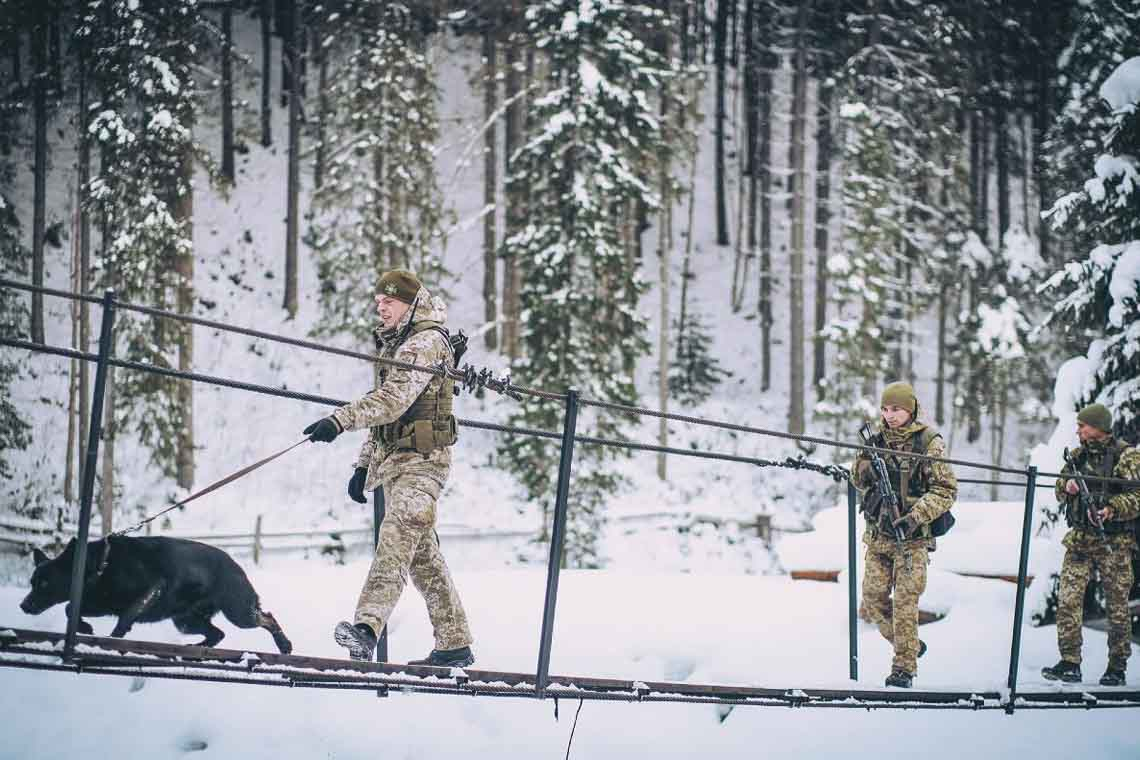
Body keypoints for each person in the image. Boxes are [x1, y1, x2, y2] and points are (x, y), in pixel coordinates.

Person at [303, 269, 474, 668]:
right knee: (423, 558)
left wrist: (340, 420)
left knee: (395, 540)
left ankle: (366, 628)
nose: (381, 308)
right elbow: (386, 413)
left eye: (389, 302)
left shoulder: (427, 342)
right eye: (378, 302)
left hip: (423, 464)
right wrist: (363, 466)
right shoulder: (398, 344)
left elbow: (393, 400)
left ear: (411, 304)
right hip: (396, 463)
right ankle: (454, 644)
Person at [853, 382, 957, 689]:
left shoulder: (928, 442)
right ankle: (908, 644)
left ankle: (903, 668)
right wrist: (866, 469)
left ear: (910, 409)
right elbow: (855, 477)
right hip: (878, 537)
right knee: (872, 599)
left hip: (912, 540)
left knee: (905, 603)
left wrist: (914, 517)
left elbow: (945, 490)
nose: (890, 415)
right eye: (885, 409)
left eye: (896, 409)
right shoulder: (875, 440)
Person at [1041, 403, 1140, 687]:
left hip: (1115, 541)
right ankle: (1070, 663)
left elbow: (1136, 498)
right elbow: (1059, 489)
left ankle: (1116, 667)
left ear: (1098, 426)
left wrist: (1111, 509)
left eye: (1083, 425)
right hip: (1081, 540)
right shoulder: (1077, 456)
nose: (1078, 429)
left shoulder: (1127, 457)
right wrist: (1068, 486)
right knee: (1068, 600)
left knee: (1117, 606)